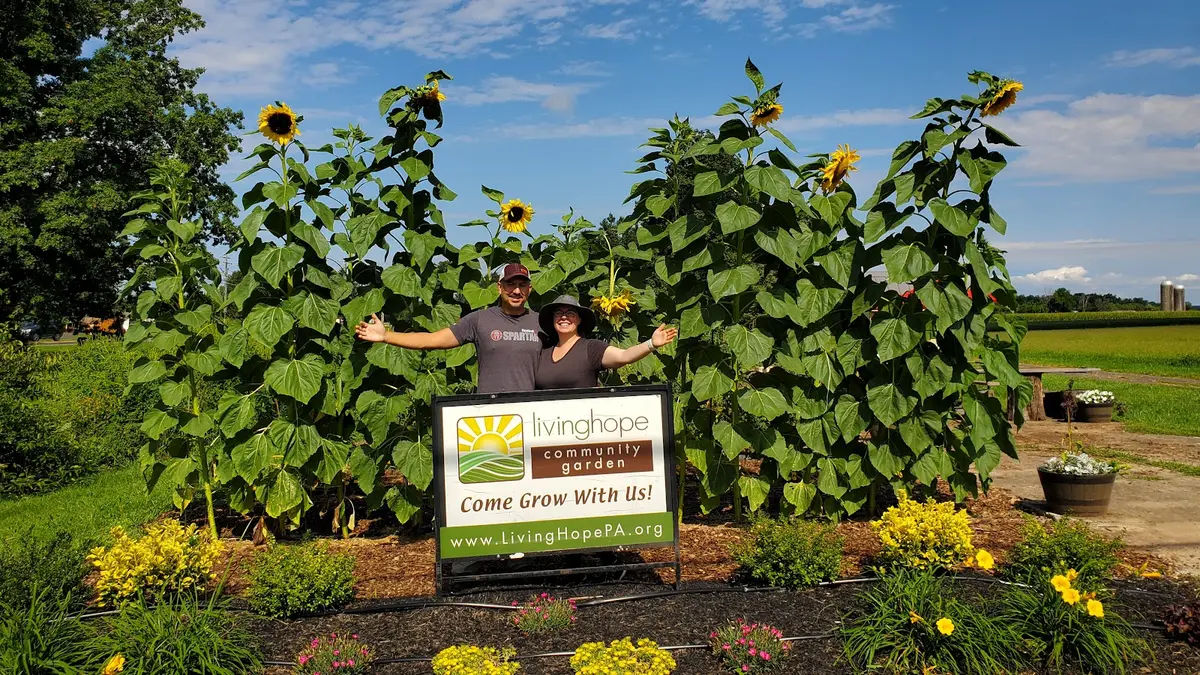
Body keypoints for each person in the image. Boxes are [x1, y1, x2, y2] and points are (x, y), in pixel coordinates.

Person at [354, 263, 541, 393]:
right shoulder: (480, 320)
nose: (517, 291)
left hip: (531, 412)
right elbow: (431, 340)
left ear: (529, 289)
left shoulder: (542, 323)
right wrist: (386, 336)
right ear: (499, 287)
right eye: (511, 284)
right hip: (490, 413)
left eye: (522, 285)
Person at [534, 294, 677, 390]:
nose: (564, 317)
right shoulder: (544, 350)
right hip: (547, 428)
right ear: (553, 319)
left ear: (579, 320)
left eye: (570, 314)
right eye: (558, 313)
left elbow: (624, 356)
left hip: (581, 427)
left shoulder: (591, 348)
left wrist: (651, 344)